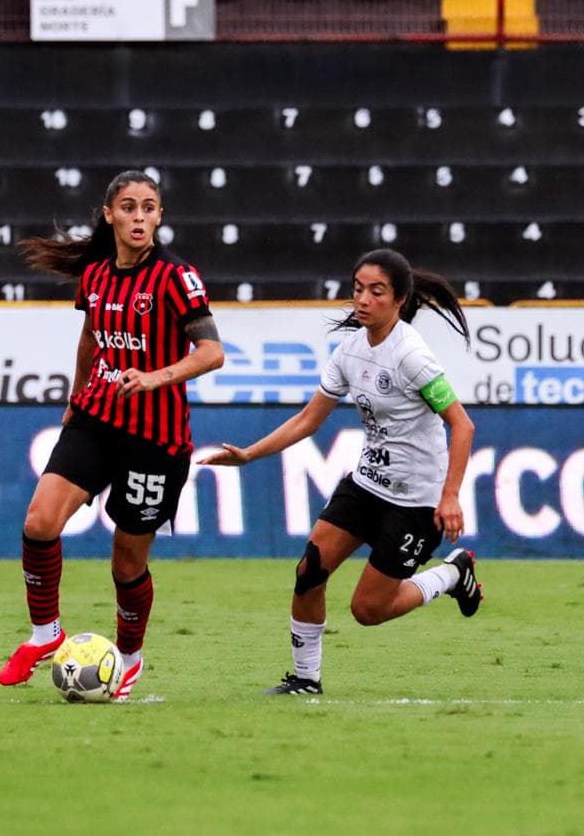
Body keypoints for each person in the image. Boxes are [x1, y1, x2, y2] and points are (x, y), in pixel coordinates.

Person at [199, 248, 481, 695]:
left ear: (400, 299)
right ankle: (305, 679)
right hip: (367, 485)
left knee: (368, 610)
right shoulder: (350, 351)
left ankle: (451, 574)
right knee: (309, 570)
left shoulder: (411, 355)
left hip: (415, 502)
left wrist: (449, 497)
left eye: (376, 291)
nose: (363, 300)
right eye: (357, 289)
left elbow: (462, 426)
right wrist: (249, 454)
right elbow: (308, 420)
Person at [0, 170, 225, 700]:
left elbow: (212, 353)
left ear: (160, 216)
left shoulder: (175, 277)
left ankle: (128, 658)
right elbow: (88, 339)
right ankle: (44, 635)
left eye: (149, 207)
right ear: (109, 215)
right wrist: (76, 400)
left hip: (156, 439)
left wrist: (155, 377)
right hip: (97, 418)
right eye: (128, 207)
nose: (139, 216)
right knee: (39, 521)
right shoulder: (96, 276)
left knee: (126, 562)